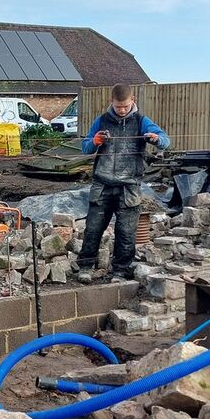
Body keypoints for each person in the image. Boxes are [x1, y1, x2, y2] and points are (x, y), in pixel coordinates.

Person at [76, 83, 170, 283]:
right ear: (112, 102)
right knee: (93, 227)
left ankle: (120, 271)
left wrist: (156, 140)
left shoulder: (142, 121)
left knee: (126, 231)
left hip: (129, 186)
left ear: (132, 101)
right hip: (102, 184)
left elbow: (165, 140)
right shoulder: (101, 121)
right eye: (119, 107)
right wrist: (95, 142)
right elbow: (85, 148)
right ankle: (85, 266)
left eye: (126, 106)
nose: (122, 110)